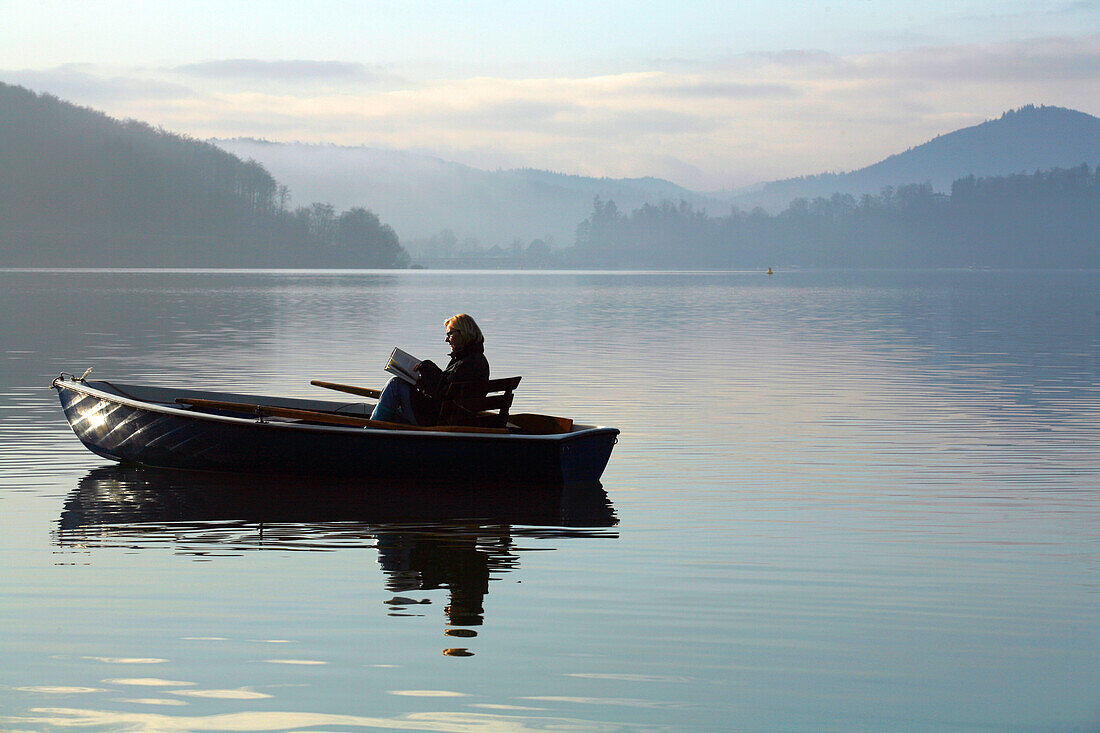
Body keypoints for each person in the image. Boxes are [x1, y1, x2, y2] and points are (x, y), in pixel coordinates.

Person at [370, 313, 490, 425]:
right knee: (394, 413)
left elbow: (442, 395)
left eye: (450, 334)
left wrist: (427, 368)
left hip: (438, 420)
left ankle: (369, 430)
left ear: (463, 333)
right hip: (452, 417)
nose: (446, 339)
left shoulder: (468, 363)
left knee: (395, 384)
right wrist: (422, 384)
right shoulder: (474, 360)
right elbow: (447, 391)